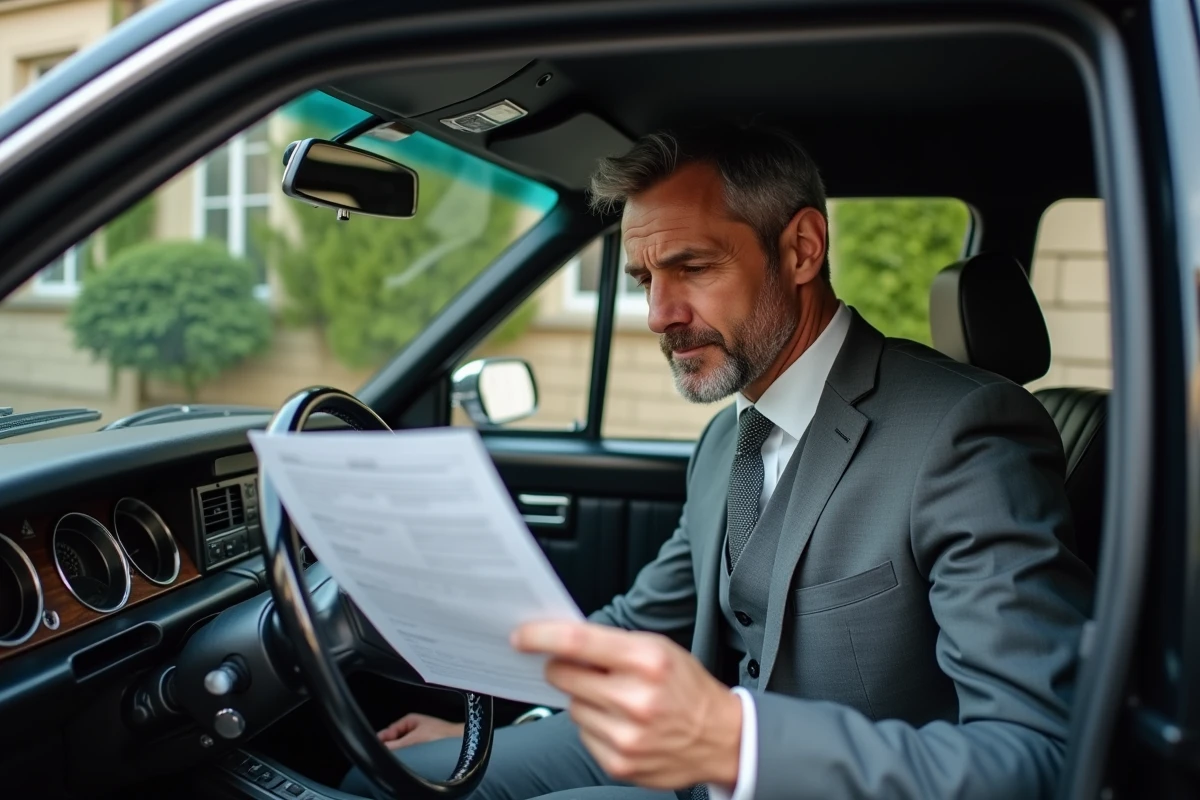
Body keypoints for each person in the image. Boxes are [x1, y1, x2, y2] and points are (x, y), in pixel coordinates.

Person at [342, 123, 1093, 800]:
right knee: (395, 776)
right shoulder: (727, 439)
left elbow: (1037, 757)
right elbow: (643, 624)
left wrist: (737, 745)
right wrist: (507, 724)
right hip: (692, 763)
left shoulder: (966, 432)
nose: (658, 315)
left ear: (801, 249)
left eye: (692, 267)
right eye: (645, 280)